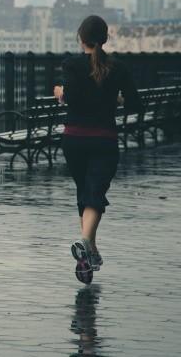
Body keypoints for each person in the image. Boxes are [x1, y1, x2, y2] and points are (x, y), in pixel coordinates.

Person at [53, 15, 142, 283]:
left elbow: (74, 98)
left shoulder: (71, 64)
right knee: (94, 194)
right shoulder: (118, 67)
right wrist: (116, 99)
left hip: (74, 139)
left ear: (81, 38)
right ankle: (86, 244)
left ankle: (89, 252)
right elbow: (135, 104)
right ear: (104, 38)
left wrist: (61, 93)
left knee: (86, 193)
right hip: (104, 139)